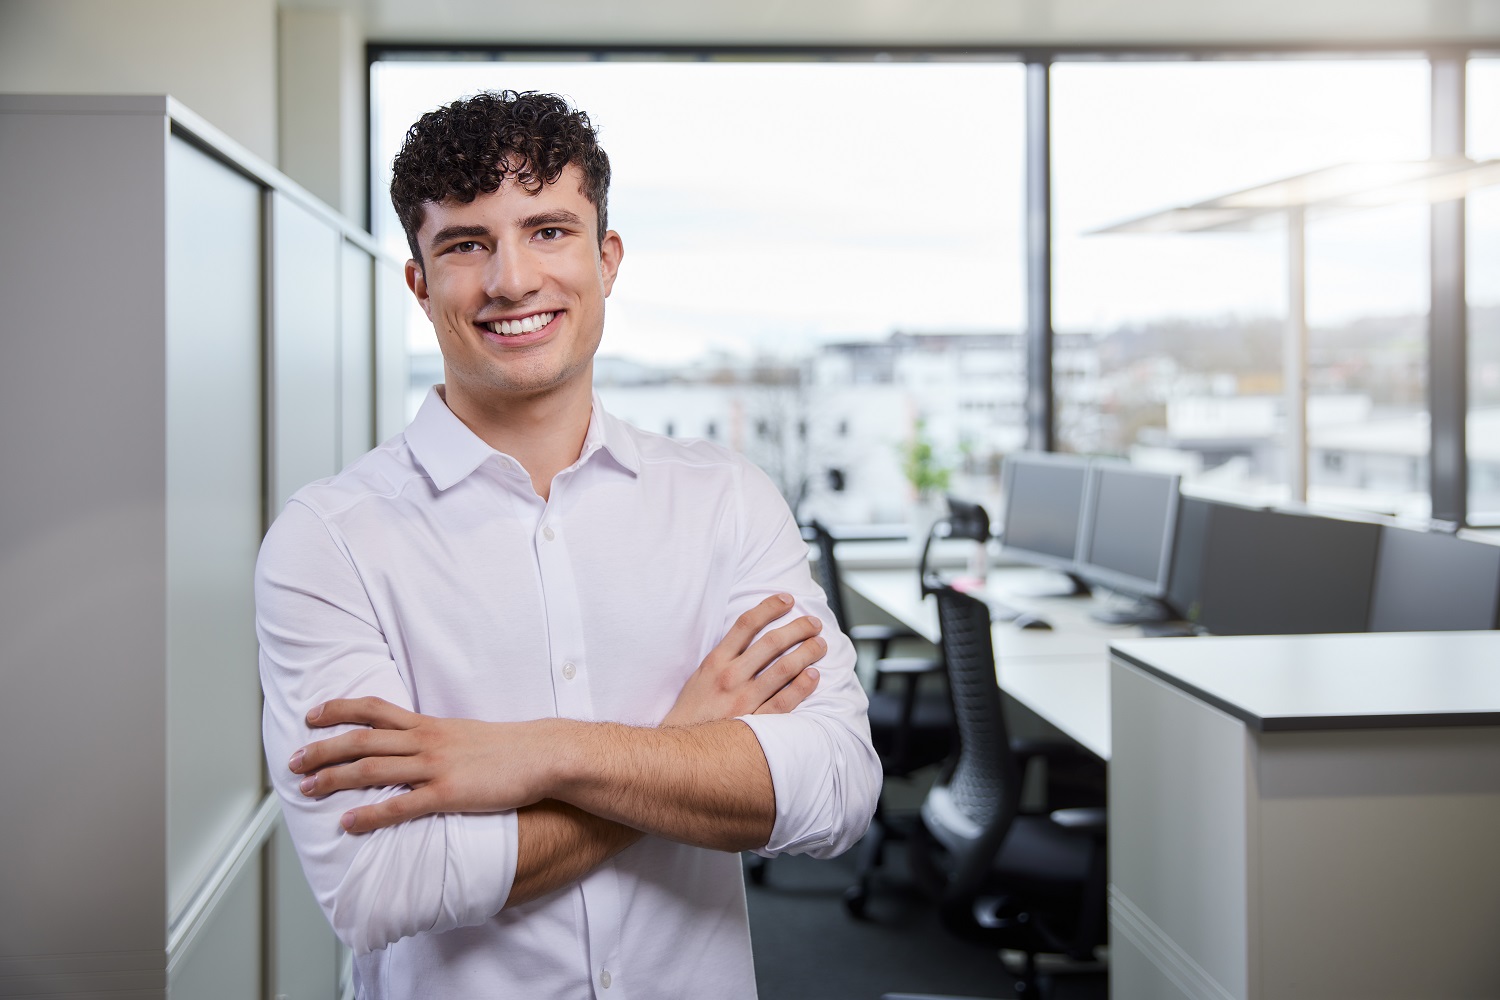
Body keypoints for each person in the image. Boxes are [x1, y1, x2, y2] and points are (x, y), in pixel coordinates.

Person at [256, 89, 882, 999]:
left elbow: (834, 792)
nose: (511, 279)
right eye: (467, 244)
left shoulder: (726, 502)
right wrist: (681, 745)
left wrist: (541, 752)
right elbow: (379, 882)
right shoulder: (329, 544)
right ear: (419, 281)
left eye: (548, 230)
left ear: (607, 257)